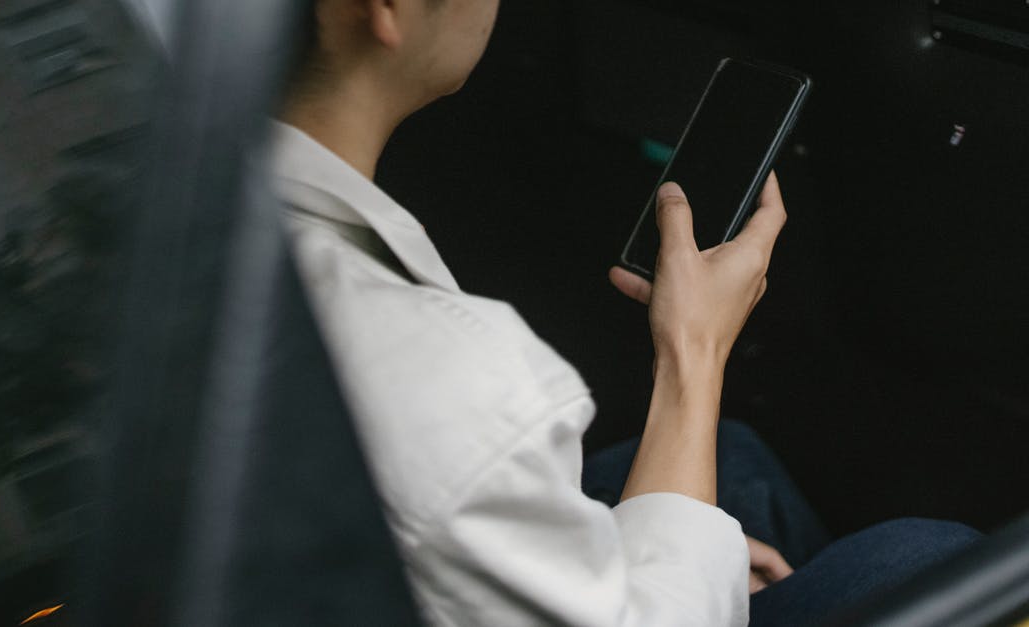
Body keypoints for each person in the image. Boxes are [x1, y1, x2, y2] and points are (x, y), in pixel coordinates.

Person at [268, 1, 978, 625]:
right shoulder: (450, 375)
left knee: (736, 465)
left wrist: (648, 544)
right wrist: (692, 349)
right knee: (931, 558)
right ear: (386, 7)